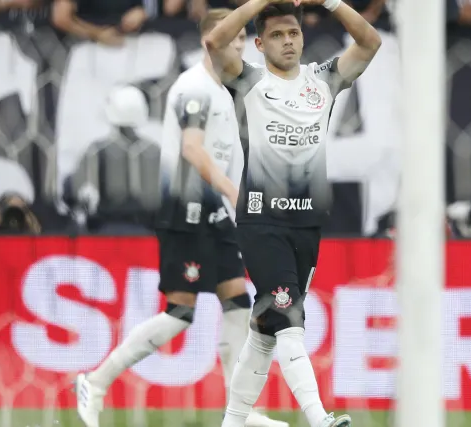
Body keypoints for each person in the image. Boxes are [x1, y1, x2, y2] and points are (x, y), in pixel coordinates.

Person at [73, 9, 287, 427]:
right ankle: (96, 382)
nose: (241, 48)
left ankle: (238, 414)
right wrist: (234, 193)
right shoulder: (194, 87)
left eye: (245, 40)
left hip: (216, 216)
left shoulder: (226, 89)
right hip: (187, 215)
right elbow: (192, 149)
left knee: (238, 306)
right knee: (179, 313)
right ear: (212, 41)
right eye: (234, 41)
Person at [204, 0, 381, 426]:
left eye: (294, 33)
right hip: (260, 221)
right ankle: (319, 419)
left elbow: (369, 41)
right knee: (289, 319)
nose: (288, 42)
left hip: (306, 224)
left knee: (264, 333)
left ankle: (233, 421)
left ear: (303, 37)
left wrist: (334, 2)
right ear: (260, 44)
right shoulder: (247, 80)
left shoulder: (325, 79)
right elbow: (215, 40)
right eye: (278, 35)